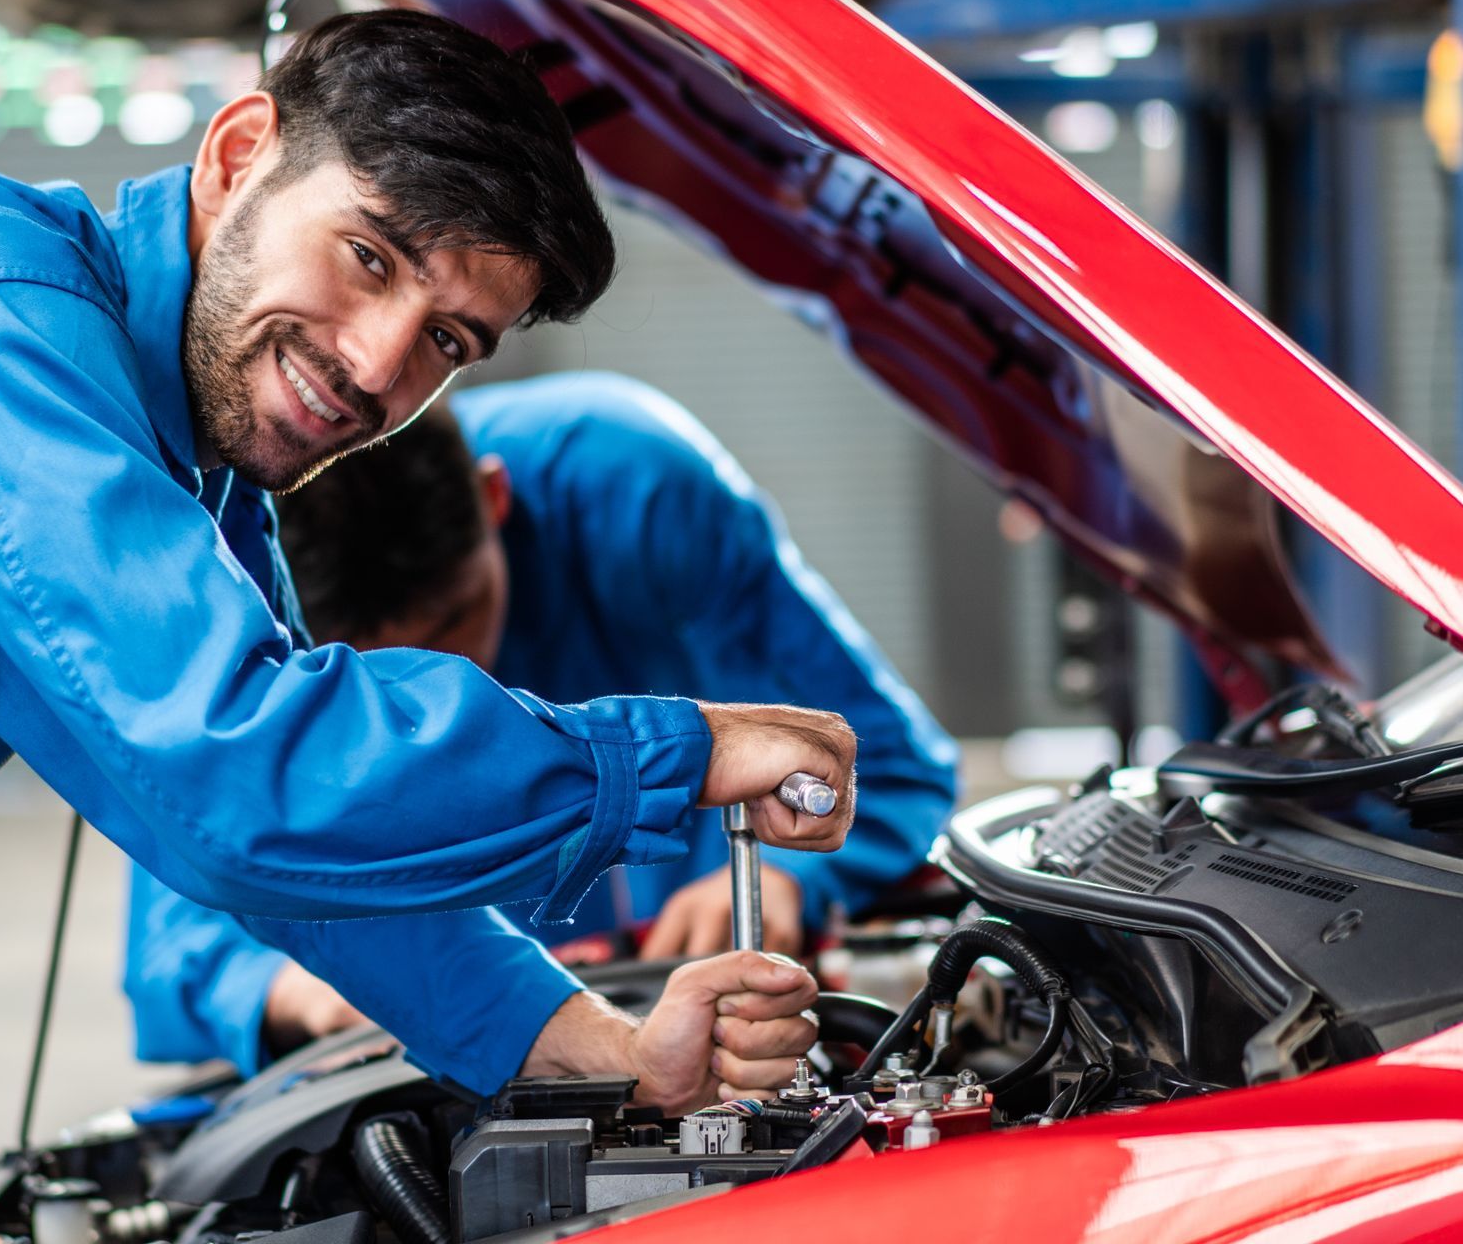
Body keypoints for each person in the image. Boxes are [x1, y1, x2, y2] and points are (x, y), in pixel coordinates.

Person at [0, 10, 858, 1113]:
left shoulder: (189, 476)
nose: (381, 367)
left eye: (445, 336)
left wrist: (611, 1052)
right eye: (370, 256)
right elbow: (237, 771)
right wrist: (672, 750)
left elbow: (306, 869)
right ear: (236, 158)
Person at [126, 377, 958, 1072]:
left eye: (455, 622)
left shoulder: (634, 493)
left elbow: (890, 765)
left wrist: (791, 879)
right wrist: (317, 990)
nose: (447, 696)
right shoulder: (240, 606)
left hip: (692, 1010)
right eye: (375, 683)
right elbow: (179, 939)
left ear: (496, 498)